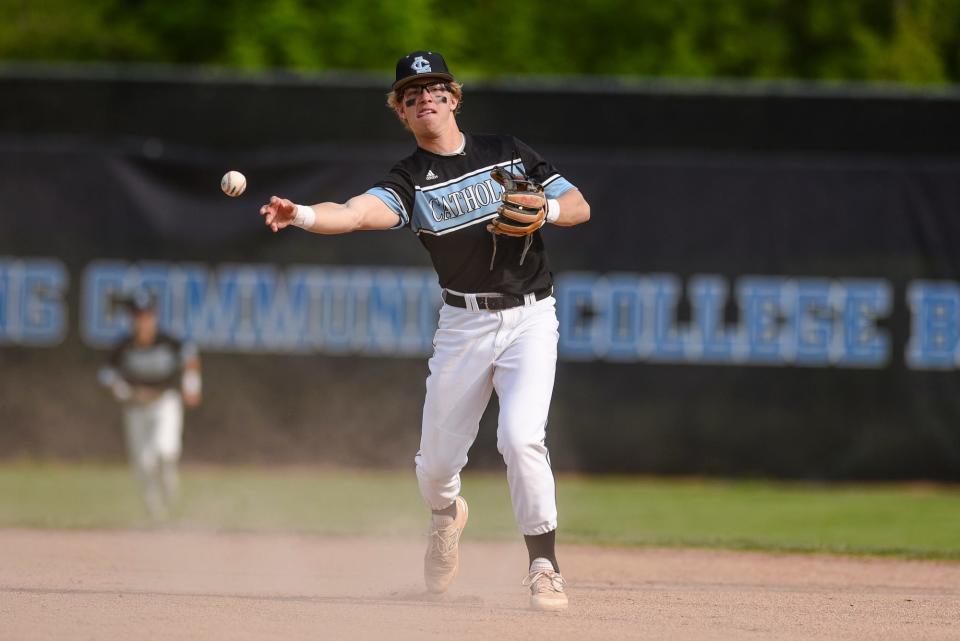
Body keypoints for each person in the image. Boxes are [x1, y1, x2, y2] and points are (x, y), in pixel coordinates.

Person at [259, 50, 590, 611]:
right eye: (411, 94)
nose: (425, 98)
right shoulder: (410, 179)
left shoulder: (507, 152)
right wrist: (305, 215)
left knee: (520, 437)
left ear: (454, 98)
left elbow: (577, 204)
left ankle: (544, 565)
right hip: (463, 324)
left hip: (532, 316)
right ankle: (447, 514)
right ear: (402, 112)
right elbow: (359, 212)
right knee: (436, 469)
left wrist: (549, 212)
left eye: (435, 88)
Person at [98, 290, 202, 520]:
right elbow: (106, 374)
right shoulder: (123, 346)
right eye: (137, 315)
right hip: (136, 408)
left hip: (164, 402)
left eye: (146, 315)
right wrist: (120, 389)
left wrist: (192, 385)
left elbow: (190, 357)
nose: (141, 320)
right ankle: (154, 510)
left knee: (165, 451)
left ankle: (170, 490)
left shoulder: (168, 342)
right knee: (143, 462)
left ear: (153, 316)